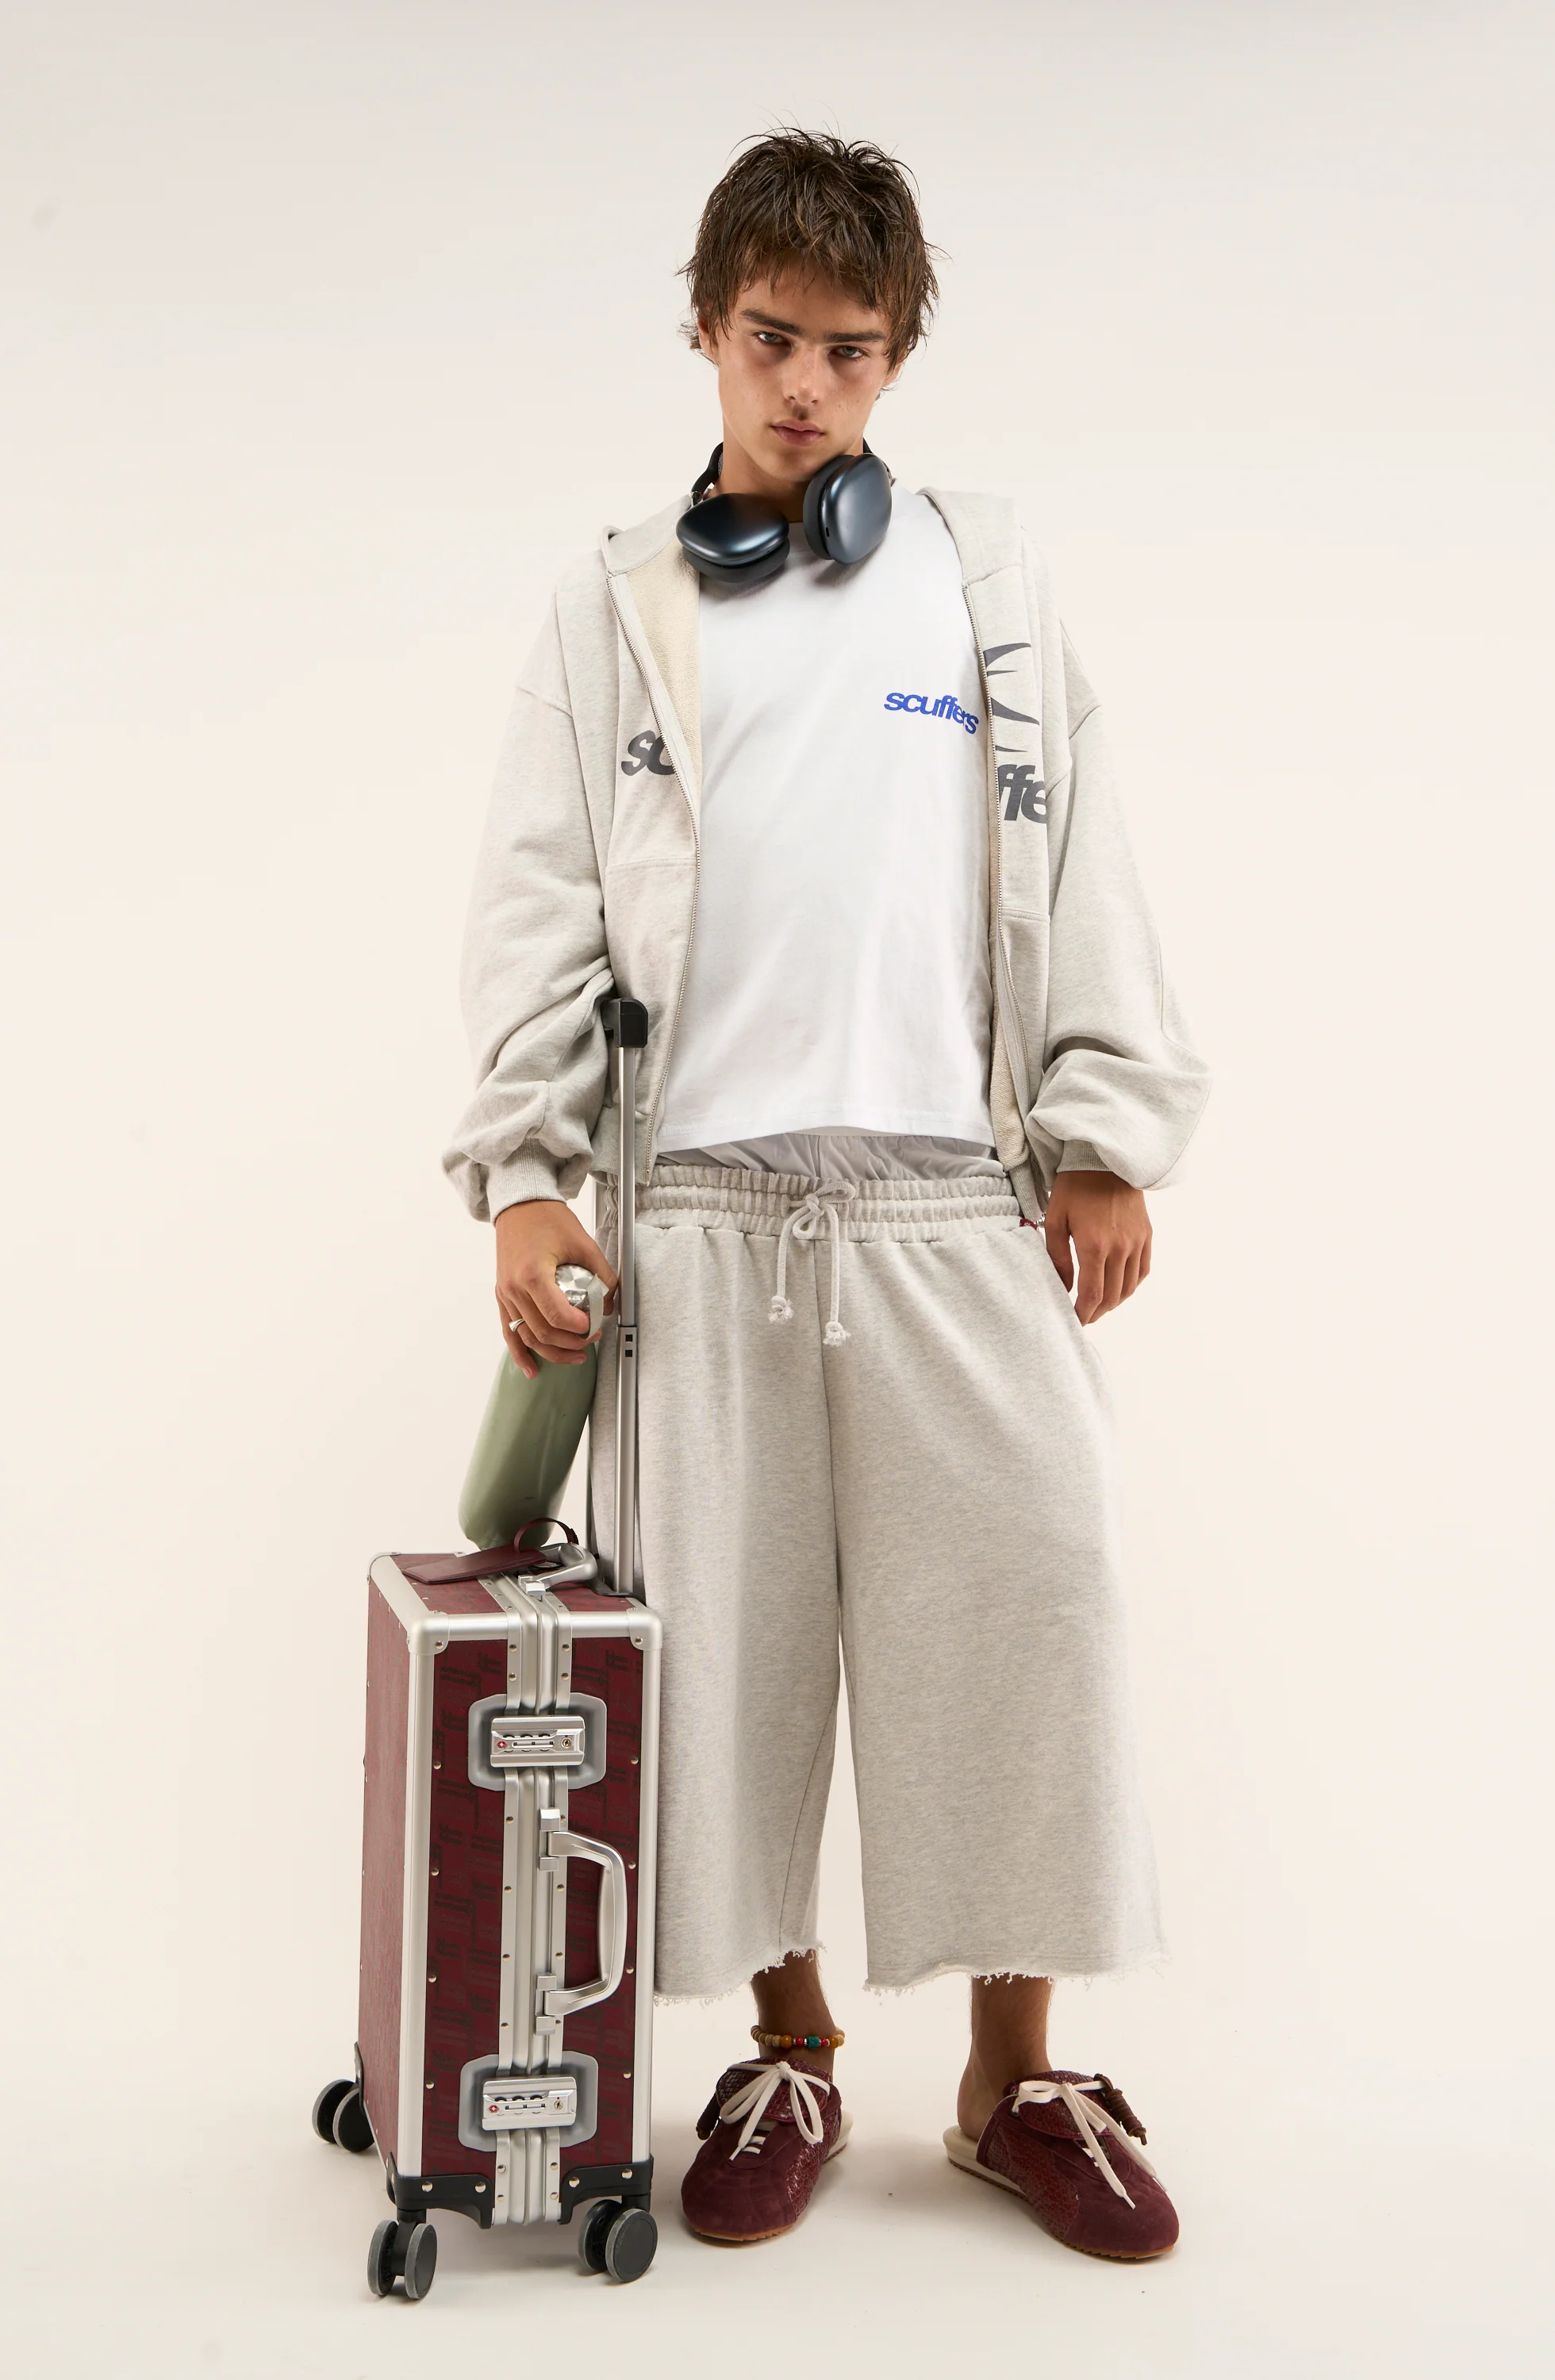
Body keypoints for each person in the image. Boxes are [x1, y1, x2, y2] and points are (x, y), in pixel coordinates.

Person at [443, 130, 1210, 2261]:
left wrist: (1100, 1127)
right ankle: (788, 2050)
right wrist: (524, 1177)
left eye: (850, 351)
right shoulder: (618, 605)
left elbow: (1084, 857)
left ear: (899, 359)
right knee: (727, 1645)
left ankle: (1013, 2076)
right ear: (706, 326)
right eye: (771, 338)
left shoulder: (988, 579)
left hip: (952, 1200)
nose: (805, 386)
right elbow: (535, 901)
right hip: (698, 1208)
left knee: (1034, 1604)